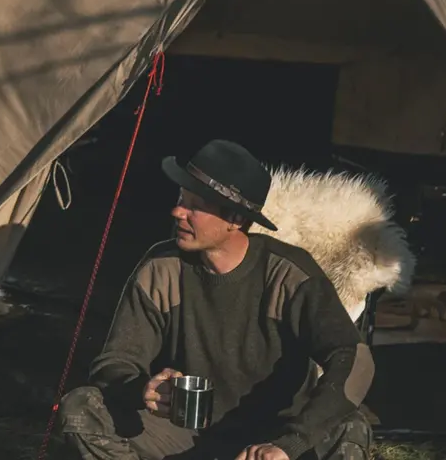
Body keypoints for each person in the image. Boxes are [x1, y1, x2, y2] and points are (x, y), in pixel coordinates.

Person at [54, 140, 374, 460]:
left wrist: (289, 444)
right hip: (184, 434)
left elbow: (354, 358)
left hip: (272, 440)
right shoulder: (161, 269)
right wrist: (143, 388)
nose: (178, 212)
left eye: (195, 206)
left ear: (234, 218)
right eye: (181, 199)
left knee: (350, 426)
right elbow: (116, 362)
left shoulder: (289, 273)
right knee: (83, 407)